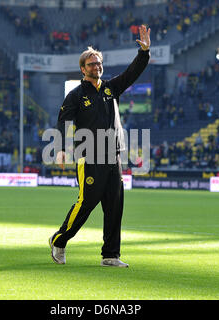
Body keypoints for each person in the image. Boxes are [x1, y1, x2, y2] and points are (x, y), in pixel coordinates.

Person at [49, 25, 151, 267]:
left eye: (98, 63)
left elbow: (131, 73)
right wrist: (62, 147)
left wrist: (144, 52)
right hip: (89, 156)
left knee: (115, 206)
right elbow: (64, 121)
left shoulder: (110, 88)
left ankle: (110, 255)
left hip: (113, 156)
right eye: (91, 64)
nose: (97, 66)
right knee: (86, 203)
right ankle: (60, 240)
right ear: (83, 69)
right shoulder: (75, 95)